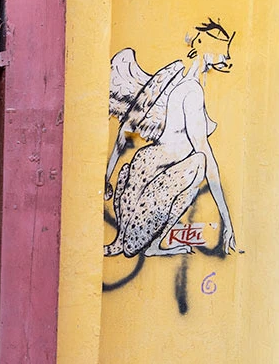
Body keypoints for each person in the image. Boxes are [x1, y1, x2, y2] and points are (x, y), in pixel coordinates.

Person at [103, 19, 240, 259]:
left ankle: (128, 240)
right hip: (149, 183)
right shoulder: (192, 91)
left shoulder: (177, 83)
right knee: (199, 163)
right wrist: (227, 220)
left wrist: (107, 176)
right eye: (221, 48)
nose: (226, 57)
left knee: (196, 161)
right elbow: (204, 153)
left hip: (143, 168)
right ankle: (155, 244)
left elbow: (127, 127)